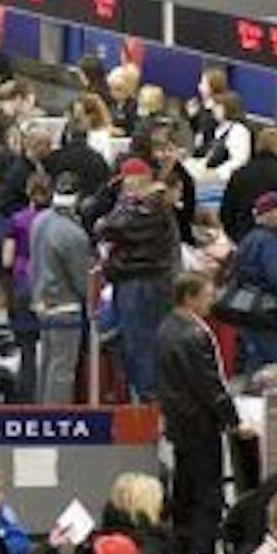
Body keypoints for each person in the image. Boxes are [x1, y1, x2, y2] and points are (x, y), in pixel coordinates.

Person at [158, 272, 249, 554]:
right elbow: (211, 386)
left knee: (183, 495)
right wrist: (234, 421)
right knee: (207, 499)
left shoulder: (165, 329)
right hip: (201, 427)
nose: (212, 301)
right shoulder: (195, 335)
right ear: (190, 297)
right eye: (208, 295)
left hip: (179, 424)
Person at [97, 159, 179, 402]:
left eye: (125, 182)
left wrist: (110, 219)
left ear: (140, 179)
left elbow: (113, 227)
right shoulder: (142, 204)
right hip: (136, 280)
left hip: (144, 283)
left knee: (140, 342)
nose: (122, 188)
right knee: (127, 340)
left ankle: (150, 402)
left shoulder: (151, 205)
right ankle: (145, 397)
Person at [32, 172, 94, 403]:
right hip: (65, 306)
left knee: (47, 362)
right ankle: (55, 417)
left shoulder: (39, 221)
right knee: (62, 370)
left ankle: (41, 411)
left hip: (42, 301)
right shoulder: (73, 234)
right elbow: (81, 280)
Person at [230, 192, 277, 380]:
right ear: (272, 213)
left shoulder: (249, 239)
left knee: (258, 372)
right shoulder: (270, 241)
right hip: (272, 316)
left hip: (249, 312)